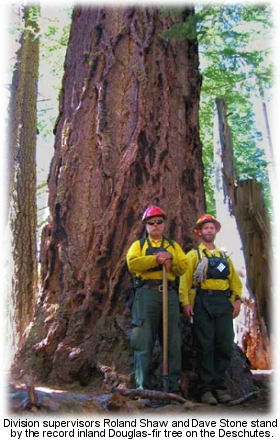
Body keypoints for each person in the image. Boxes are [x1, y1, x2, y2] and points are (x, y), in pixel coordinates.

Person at [179, 214, 243, 405]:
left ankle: (220, 387)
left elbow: (235, 283)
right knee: (205, 346)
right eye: (205, 228)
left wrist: (237, 300)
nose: (209, 231)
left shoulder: (224, 257)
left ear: (216, 231)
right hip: (202, 302)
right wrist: (185, 303)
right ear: (199, 232)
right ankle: (206, 390)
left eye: (211, 227)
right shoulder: (193, 255)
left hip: (223, 304)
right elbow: (184, 281)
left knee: (223, 345)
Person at [126, 205, 188, 393]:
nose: (155, 225)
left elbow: (182, 266)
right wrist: (156, 259)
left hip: (168, 295)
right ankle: (143, 388)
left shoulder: (173, 246)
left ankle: (171, 387)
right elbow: (133, 263)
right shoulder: (139, 245)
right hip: (146, 295)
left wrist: (170, 257)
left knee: (172, 342)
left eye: (159, 221)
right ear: (145, 225)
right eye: (151, 222)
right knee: (143, 341)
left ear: (164, 224)